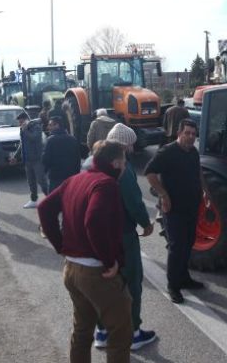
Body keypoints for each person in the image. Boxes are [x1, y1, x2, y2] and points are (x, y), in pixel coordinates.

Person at [38, 140, 132, 363]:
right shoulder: (106, 184)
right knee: (120, 333)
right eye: (125, 162)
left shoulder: (75, 179)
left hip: (71, 269)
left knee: (82, 331)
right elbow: (94, 221)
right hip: (96, 273)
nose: (125, 167)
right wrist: (109, 261)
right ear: (116, 163)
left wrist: (60, 245)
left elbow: (44, 207)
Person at [87, 124, 156, 351]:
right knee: (131, 283)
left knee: (104, 284)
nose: (133, 147)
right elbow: (134, 202)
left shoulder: (90, 163)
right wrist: (146, 223)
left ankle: (102, 331)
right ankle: (134, 333)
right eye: (131, 143)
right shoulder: (122, 169)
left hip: (96, 236)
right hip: (123, 236)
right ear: (124, 145)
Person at [145, 118, 206, 304]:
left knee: (188, 243)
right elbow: (150, 173)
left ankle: (184, 277)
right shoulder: (167, 152)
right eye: (186, 133)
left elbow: (198, 173)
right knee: (176, 246)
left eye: (193, 134)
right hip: (174, 208)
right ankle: (173, 285)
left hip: (191, 205)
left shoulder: (193, 152)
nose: (190, 137)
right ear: (179, 133)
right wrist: (163, 195)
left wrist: (206, 192)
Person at [14, 112, 48, 208]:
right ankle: (33, 200)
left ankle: (50, 197)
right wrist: (16, 156)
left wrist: (25, 130)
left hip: (37, 159)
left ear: (25, 120)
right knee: (31, 181)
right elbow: (22, 144)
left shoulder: (36, 126)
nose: (19, 124)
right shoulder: (23, 129)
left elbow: (35, 138)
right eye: (19, 123)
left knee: (41, 180)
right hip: (27, 159)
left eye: (21, 122)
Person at [41, 116, 82, 193]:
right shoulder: (72, 139)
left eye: (50, 125)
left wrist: (44, 172)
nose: (48, 127)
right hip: (71, 176)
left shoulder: (50, 140)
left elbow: (46, 160)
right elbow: (78, 159)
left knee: (54, 201)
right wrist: (77, 174)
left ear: (57, 125)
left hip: (56, 177)